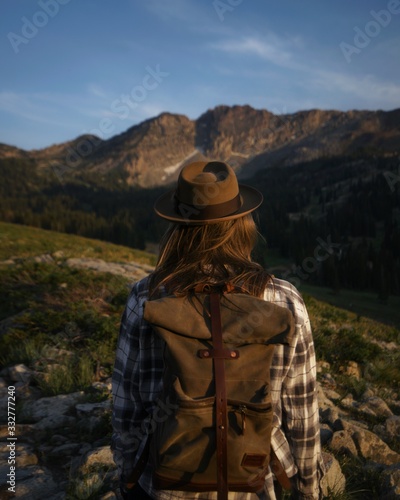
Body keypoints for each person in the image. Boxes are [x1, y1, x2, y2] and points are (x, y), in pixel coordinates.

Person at [111, 160, 325, 499]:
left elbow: (127, 407)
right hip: (254, 480)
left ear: (178, 227)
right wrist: (308, 490)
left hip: (164, 479)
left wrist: (126, 476)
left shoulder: (146, 296)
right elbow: (302, 414)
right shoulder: (284, 299)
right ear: (244, 223)